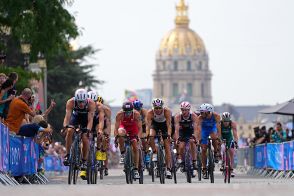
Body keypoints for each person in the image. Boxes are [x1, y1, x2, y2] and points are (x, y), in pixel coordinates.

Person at [62, 88, 96, 180]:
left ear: (86, 100)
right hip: (75, 117)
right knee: (69, 131)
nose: (81, 104)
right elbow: (67, 116)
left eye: (83, 102)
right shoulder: (71, 102)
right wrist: (65, 126)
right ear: (76, 99)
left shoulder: (91, 103)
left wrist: (88, 130)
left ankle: (84, 161)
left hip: (86, 119)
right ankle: (68, 154)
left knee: (85, 138)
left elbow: (90, 120)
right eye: (79, 102)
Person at [114, 101, 142, 179]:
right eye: (126, 112)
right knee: (120, 135)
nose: (128, 114)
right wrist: (116, 137)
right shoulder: (119, 114)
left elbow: (140, 128)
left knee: (135, 147)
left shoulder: (136, 114)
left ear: (132, 110)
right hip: (124, 128)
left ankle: (136, 170)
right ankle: (123, 154)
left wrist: (138, 137)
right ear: (123, 111)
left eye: (129, 112)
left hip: (133, 129)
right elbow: (116, 128)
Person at [146, 98, 173, 179]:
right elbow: (148, 126)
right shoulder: (150, 112)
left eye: (159, 108)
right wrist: (147, 136)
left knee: (167, 148)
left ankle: (168, 169)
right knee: (151, 135)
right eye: (156, 108)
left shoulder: (167, 111)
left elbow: (169, 125)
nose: (158, 110)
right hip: (155, 125)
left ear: (162, 107)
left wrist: (169, 135)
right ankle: (154, 152)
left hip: (164, 125)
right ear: (153, 107)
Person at [196, 103, 221, 179]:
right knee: (203, 149)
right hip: (204, 130)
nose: (201, 114)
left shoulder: (216, 116)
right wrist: (199, 138)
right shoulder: (200, 118)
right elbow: (199, 129)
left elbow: (218, 127)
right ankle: (204, 169)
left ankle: (216, 152)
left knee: (214, 137)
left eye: (203, 112)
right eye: (201, 112)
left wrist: (219, 137)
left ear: (209, 112)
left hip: (212, 128)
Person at [174, 101, 198, 171]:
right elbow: (176, 130)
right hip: (182, 132)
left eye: (185, 110)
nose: (184, 111)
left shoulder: (193, 116)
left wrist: (195, 137)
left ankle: (194, 161)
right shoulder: (178, 116)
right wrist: (177, 139)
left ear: (189, 110)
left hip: (191, 131)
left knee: (192, 142)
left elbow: (196, 129)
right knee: (181, 147)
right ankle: (183, 162)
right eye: (182, 110)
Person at [96, 95, 112, 176]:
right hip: (96, 126)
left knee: (105, 149)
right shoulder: (93, 108)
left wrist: (107, 134)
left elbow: (108, 124)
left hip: (105, 125)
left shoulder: (105, 110)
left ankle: (105, 167)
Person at [220, 112, 238, 177]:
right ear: (222, 119)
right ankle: (222, 162)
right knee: (222, 148)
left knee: (232, 152)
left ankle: (232, 169)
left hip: (229, 138)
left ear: (229, 120)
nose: (226, 122)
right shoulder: (219, 124)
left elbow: (235, 134)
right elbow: (218, 133)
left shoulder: (232, 123)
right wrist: (220, 140)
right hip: (221, 137)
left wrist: (236, 142)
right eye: (224, 121)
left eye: (227, 121)